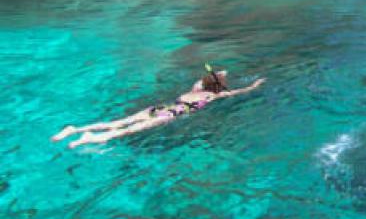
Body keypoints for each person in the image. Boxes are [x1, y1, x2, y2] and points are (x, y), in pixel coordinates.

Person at [51, 67, 266, 149]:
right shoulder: (216, 95)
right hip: (173, 113)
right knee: (128, 131)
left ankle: (75, 129)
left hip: (161, 107)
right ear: (219, 87)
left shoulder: (196, 88)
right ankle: (90, 139)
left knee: (119, 122)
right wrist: (255, 85)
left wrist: (218, 73)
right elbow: (242, 92)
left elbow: (208, 78)